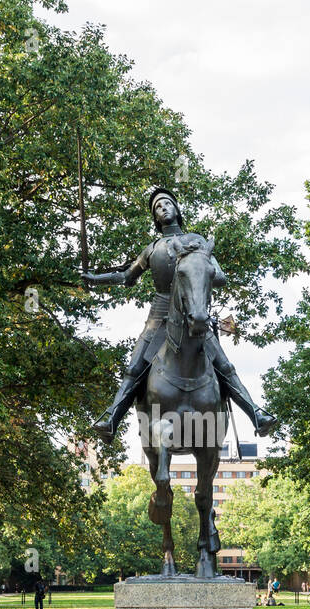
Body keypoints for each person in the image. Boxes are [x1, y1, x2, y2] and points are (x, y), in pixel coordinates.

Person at [82, 187, 278, 442]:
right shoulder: (151, 249)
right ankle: (111, 418)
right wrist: (95, 279)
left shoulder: (195, 240)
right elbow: (125, 277)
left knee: (225, 366)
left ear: (177, 209)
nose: (163, 208)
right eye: (157, 207)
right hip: (159, 313)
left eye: (167, 204)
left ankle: (255, 414)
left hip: (193, 312)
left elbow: (219, 276)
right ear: (155, 217)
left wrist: (200, 266)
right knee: (135, 367)